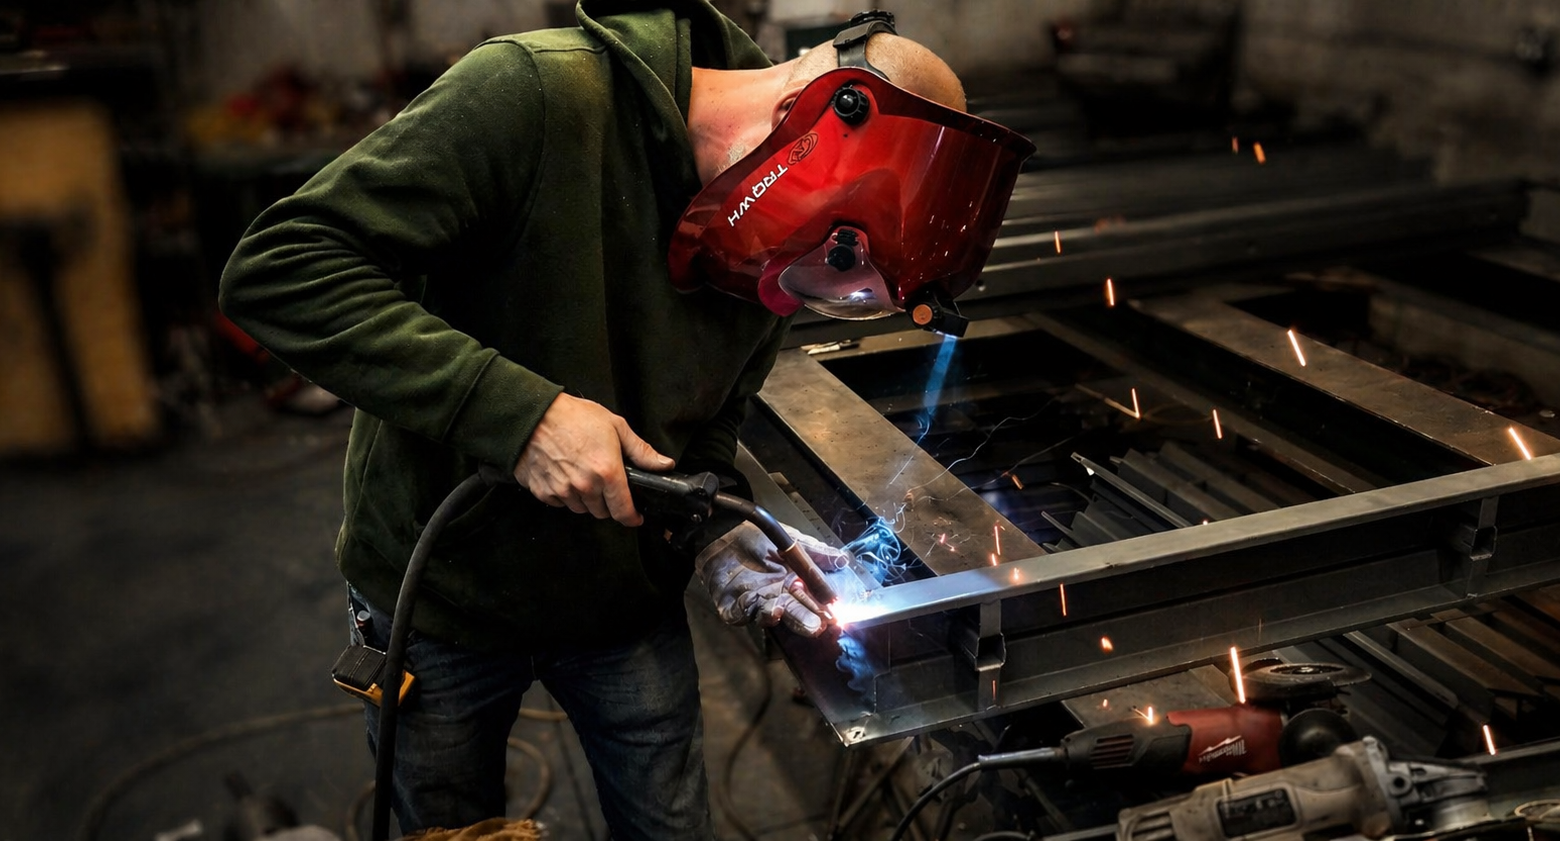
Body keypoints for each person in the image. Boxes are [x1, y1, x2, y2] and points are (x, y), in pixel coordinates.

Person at [218, 2, 1024, 838]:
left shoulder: (775, 244)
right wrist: (524, 420)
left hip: (621, 601)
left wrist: (712, 525)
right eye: (839, 260)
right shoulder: (534, 94)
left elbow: (713, 412)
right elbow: (281, 269)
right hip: (443, 594)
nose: (794, 290)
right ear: (816, 125)